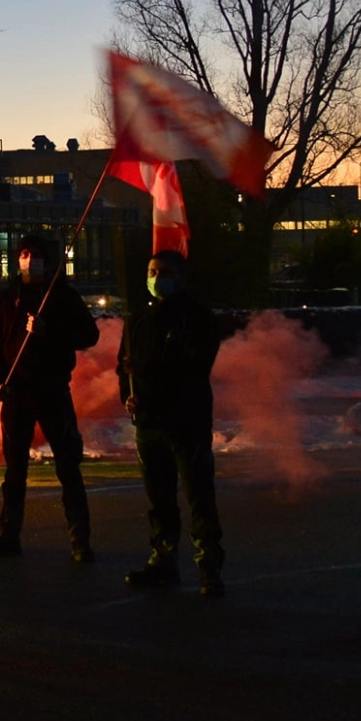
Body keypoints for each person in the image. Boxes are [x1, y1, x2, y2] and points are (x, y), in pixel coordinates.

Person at [0, 234, 99, 561]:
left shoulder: (62, 297)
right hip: (16, 393)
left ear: (49, 261)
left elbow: (89, 334)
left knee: (68, 466)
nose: (30, 261)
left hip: (52, 391)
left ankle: (80, 539)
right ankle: (7, 536)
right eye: (25, 254)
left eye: (37, 255)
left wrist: (51, 332)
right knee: (14, 471)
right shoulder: (6, 299)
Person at [118, 250, 226, 596]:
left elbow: (192, 367)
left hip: (186, 420)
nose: (155, 278)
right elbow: (124, 366)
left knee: (198, 496)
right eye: (151, 271)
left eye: (163, 271)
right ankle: (163, 559)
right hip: (148, 422)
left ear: (181, 277)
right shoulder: (138, 320)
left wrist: (146, 372)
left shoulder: (197, 319)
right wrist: (129, 395)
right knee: (159, 498)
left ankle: (208, 567)